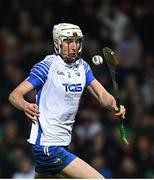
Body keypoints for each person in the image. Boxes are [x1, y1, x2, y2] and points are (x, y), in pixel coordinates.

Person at [9, 23, 126, 179]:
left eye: (77, 41)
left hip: (61, 145)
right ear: (57, 43)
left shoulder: (83, 67)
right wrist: (25, 105)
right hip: (48, 147)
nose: (74, 46)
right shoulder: (46, 67)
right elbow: (15, 95)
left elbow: (102, 95)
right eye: (68, 41)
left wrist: (115, 105)